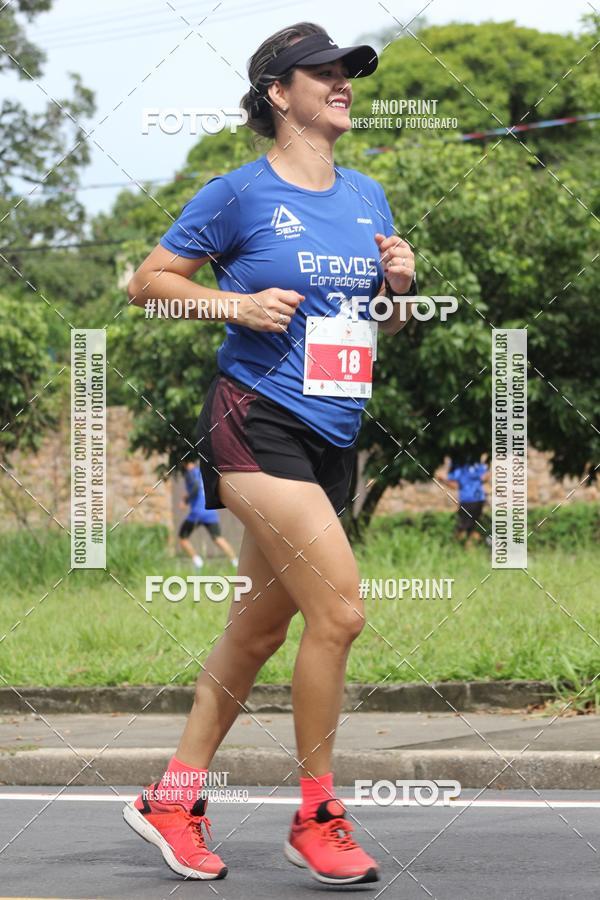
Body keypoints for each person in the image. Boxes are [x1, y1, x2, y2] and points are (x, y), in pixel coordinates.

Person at [123, 22, 417, 885]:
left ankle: (172, 797)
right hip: (256, 422)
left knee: (253, 635)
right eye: (320, 72)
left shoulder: (369, 197)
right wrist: (234, 309)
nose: (341, 82)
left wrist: (400, 291)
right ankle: (318, 815)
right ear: (277, 93)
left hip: (335, 430)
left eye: (347, 72)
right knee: (341, 613)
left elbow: (380, 325)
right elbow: (148, 287)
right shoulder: (238, 195)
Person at [179, 460, 238, 569]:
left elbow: (196, 486)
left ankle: (197, 562)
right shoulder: (202, 472)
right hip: (210, 512)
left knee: (183, 537)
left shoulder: (190, 473)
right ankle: (235, 562)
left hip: (197, 513)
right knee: (218, 538)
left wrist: (185, 500)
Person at [443, 452, 491, 547]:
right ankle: (470, 547)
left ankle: (484, 541)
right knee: (470, 527)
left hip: (467, 501)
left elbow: (455, 485)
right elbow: (485, 477)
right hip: (479, 500)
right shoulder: (477, 465)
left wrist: (442, 480)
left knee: (461, 528)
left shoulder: (458, 467)